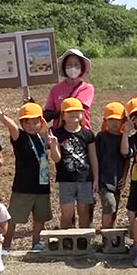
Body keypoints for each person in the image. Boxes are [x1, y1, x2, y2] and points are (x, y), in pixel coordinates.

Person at [0, 102, 57, 251]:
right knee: (13, 217)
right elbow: (12, 127)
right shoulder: (19, 137)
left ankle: (36, 243)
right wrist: (2, 117)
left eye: (36, 122)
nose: (32, 126)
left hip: (42, 183)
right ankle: (7, 245)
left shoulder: (43, 137)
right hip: (23, 186)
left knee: (40, 217)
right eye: (27, 123)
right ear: (22, 123)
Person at [51, 98, 99, 228]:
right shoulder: (57, 133)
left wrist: (96, 179)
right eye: (69, 112)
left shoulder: (87, 134)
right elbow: (56, 159)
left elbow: (93, 157)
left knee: (84, 213)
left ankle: (83, 242)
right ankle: (67, 241)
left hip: (85, 179)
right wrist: (54, 146)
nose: (74, 115)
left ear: (82, 114)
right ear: (63, 115)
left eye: (77, 112)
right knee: (67, 213)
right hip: (66, 179)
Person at [94, 102, 129, 229]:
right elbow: (95, 158)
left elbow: (127, 160)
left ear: (123, 121)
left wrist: (124, 178)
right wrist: (96, 178)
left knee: (115, 209)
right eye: (111, 120)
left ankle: (111, 235)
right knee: (109, 204)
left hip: (117, 179)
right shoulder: (101, 137)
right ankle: (105, 233)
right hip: (105, 179)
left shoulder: (124, 138)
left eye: (118, 120)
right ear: (105, 121)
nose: (114, 124)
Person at [44, 48, 95, 130]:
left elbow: (74, 109)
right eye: (69, 65)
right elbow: (47, 115)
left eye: (76, 65)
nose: (73, 68)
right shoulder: (55, 89)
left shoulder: (87, 88)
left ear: (82, 68)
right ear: (64, 67)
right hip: (59, 134)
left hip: (80, 133)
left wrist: (55, 114)